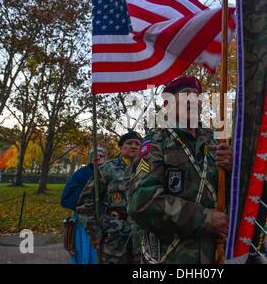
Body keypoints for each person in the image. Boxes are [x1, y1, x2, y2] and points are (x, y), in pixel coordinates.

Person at [128, 76, 233, 264]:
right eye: (186, 95)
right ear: (167, 103)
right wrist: (205, 219)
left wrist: (233, 169)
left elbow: (236, 194)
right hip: (174, 256)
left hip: (217, 254)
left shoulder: (216, 141)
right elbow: (141, 202)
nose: (194, 100)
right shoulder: (156, 142)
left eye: (197, 96)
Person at [77, 132, 143, 264]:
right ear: (120, 147)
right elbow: (85, 203)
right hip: (113, 236)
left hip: (142, 236)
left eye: (137, 144)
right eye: (129, 143)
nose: (134, 146)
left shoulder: (149, 168)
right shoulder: (107, 169)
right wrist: (94, 233)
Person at [60, 147, 107, 264]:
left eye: (101, 156)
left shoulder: (107, 172)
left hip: (103, 220)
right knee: (84, 252)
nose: (98, 158)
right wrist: (85, 208)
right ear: (90, 159)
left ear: (105, 158)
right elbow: (67, 198)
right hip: (83, 221)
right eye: (95, 156)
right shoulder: (81, 174)